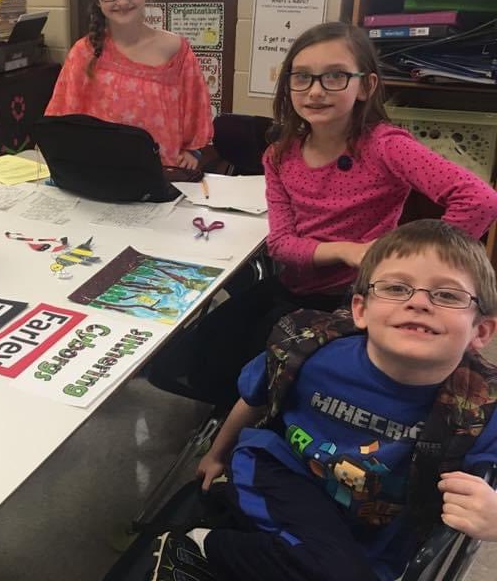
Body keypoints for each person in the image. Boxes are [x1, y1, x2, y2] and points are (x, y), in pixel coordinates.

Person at [149, 22, 497, 409]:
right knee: (197, 354)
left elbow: (480, 200)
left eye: (334, 77)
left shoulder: (385, 146)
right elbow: (282, 245)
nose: (315, 91)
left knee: (276, 369)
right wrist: (346, 250)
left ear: (365, 86)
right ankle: (230, 426)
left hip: (354, 298)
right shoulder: (280, 154)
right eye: (302, 78)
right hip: (294, 285)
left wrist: (411, 265)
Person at [186, 220, 497, 581]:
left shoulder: (480, 407)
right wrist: (216, 455)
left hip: (375, 526)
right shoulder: (310, 351)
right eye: (397, 287)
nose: (418, 302)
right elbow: (253, 399)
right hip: (282, 473)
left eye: (447, 295)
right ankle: (202, 545)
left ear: (482, 331)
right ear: (360, 310)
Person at [45, 0, 213, 169]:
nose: (122, 2)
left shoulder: (176, 50)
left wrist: (194, 152)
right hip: (97, 175)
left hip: (161, 175)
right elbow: (61, 120)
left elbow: (196, 109)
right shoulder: (83, 53)